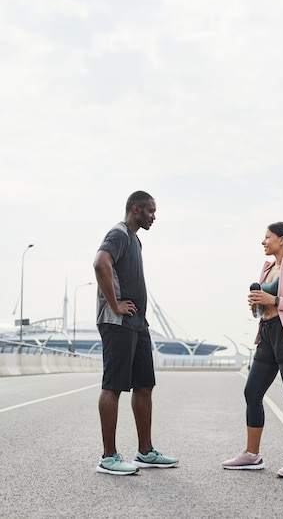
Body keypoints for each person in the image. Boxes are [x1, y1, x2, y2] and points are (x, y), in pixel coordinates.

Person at [94, 190, 178, 475]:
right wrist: (115, 304)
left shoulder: (135, 240)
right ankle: (108, 457)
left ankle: (145, 452)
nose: (154, 217)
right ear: (136, 208)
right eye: (151, 211)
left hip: (137, 324)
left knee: (144, 384)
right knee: (114, 386)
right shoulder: (118, 234)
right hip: (118, 323)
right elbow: (100, 263)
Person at [222, 222, 283, 478]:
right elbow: (266, 307)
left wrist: (273, 300)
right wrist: (257, 305)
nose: (263, 242)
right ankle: (252, 455)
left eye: (267, 237)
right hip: (267, 334)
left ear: (282, 240)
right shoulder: (266, 269)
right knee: (252, 392)